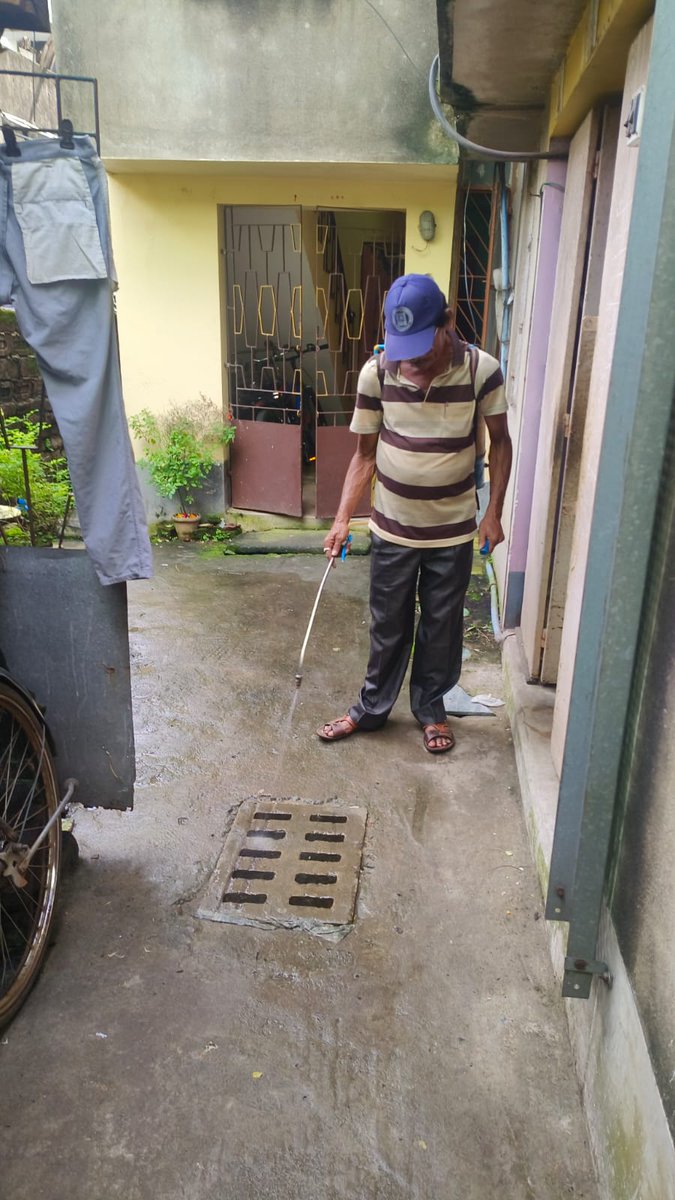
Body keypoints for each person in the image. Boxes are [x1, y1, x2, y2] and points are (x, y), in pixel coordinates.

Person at [317, 272, 512, 754]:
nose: (414, 362)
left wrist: (494, 515)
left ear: (448, 322)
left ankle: (431, 708)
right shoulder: (377, 373)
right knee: (388, 625)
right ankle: (371, 710)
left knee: (441, 628)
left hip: (451, 531)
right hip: (391, 528)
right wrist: (342, 520)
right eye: (405, 347)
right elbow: (364, 455)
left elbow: (501, 444)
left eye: (423, 347)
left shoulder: (481, 371)